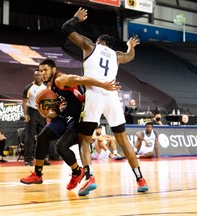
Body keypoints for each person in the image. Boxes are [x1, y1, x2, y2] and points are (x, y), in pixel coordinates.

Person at [62, 7, 148, 196]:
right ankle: (140, 178)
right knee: (124, 141)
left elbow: (66, 28)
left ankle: (89, 177)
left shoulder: (90, 46)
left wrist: (76, 18)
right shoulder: (117, 56)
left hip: (94, 95)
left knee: (84, 140)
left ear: (99, 42)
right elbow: (130, 56)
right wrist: (130, 47)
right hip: (112, 98)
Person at [20, 58, 118, 191]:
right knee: (42, 137)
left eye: (45, 70)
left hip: (78, 117)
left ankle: (77, 172)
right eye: (40, 70)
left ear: (53, 70)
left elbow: (80, 78)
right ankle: (37, 174)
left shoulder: (60, 79)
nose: (42, 73)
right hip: (64, 116)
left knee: (61, 146)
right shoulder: (50, 88)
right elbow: (55, 113)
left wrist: (102, 84)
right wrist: (45, 114)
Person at [22, 69, 49, 166]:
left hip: (42, 113)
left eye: (39, 75)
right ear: (34, 77)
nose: (37, 77)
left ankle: (42, 158)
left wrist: (47, 114)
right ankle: (28, 159)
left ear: (42, 76)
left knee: (42, 137)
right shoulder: (28, 87)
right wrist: (25, 114)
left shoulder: (46, 87)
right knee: (30, 137)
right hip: (31, 112)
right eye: (36, 75)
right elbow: (24, 102)